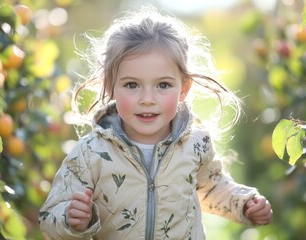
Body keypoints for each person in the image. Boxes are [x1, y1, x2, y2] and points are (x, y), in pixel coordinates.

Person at [39, 6, 272, 240]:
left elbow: (212, 188)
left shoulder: (196, 144)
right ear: (110, 86)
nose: (147, 100)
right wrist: (72, 219)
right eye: (132, 85)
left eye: (163, 85)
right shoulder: (91, 153)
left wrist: (244, 203)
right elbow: (49, 217)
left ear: (184, 88)